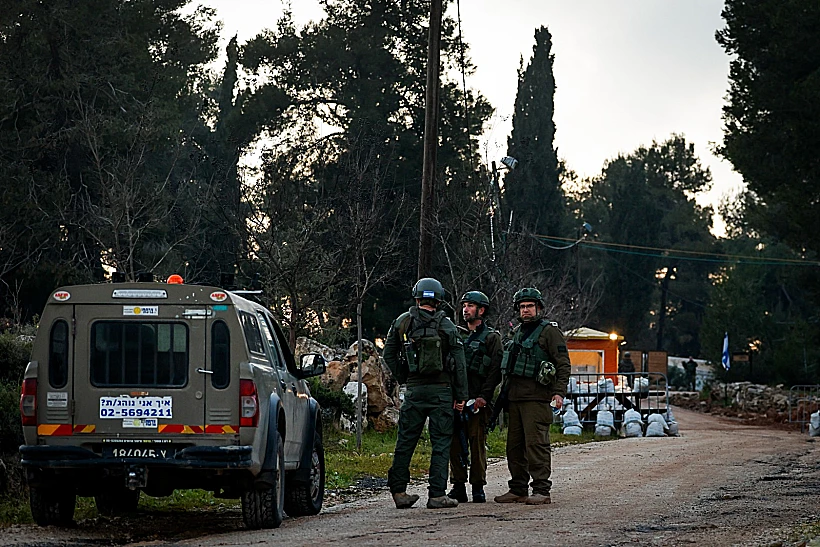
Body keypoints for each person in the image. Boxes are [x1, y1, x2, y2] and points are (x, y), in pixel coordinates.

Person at [383, 277, 469, 509]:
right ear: (439, 299)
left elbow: (388, 355)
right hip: (442, 392)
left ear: (417, 297)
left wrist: (405, 377)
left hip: (414, 391)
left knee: (406, 441)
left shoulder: (403, 322)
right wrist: (461, 395)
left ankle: (399, 492)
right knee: (440, 443)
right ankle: (437, 495)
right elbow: (460, 363)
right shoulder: (447, 325)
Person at [494, 288, 571, 505]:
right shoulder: (516, 332)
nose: (525, 310)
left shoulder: (549, 332)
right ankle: (518, 488)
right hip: (515, 398)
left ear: (538, 308)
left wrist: (559, 392)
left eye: (529, 306)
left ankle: (541, 490)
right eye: (522, 307)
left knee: (536, 444)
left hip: (537, 398)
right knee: (514, 447)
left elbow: (563, 364)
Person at [447, 291, 503, 504]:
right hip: (457, 400)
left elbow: (495, 371)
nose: (466, 309)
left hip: (478, 402)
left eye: (470, 306)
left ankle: (478, 486)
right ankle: (458, 485)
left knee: (476, 443)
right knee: (455, 444)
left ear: (481, 310)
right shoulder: (457, 337)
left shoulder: (491, 338)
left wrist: (483, 398)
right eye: (464, 306)